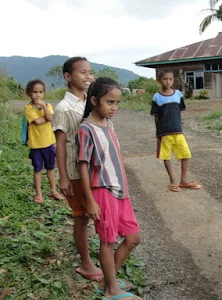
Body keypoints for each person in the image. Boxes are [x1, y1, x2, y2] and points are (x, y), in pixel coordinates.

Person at [77, 77, 141, 300]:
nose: (114, 108)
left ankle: (108, 279)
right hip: (103, 192)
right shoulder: (86, 129)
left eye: (117, 103)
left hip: (120, 191)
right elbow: (82, 166)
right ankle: (112, 289)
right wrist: (90, 200)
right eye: (110, 102)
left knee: (133, 237)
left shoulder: (108, 124)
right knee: (107, 241)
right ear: (94, 100)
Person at [53, 57, 103, 281]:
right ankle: (86, 263)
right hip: (74, 173)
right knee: (81, 217)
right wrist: (62, 176)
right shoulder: (64, 108)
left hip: (93, 170)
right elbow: (61, 144)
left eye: (90, 72)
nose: (88, 76)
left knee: (94, 213)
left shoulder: (91, 102)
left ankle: (98, 257)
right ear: (68, 77)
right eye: (82, 72)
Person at [150, 69, 201, 192]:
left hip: (178, 131)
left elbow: (179, 112)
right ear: (159, 80)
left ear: (173, 80)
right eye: (165, 79)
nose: (167, 81)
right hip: (164, 132)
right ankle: (172, 181)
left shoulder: (178, 94)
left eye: (170, 79)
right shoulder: (157, 97)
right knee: (166, 156)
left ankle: (183, 180)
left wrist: (179, 126)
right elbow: (156, 117)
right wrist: (158, 134)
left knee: (186, 154)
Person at [24, 79, 63, 204]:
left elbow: (50, 118)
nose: (38, 95)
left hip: (48, 143)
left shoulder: (48, 106)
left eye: (40, 92)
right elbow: (38, 122)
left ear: (44, 93)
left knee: (51, 168)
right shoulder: (28, 108)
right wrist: (46, 117)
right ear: (29, 93)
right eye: (35, 92)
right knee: (37, 169)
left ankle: (53, 190)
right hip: (36, 145)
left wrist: (45, 107)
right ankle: (39, 194)